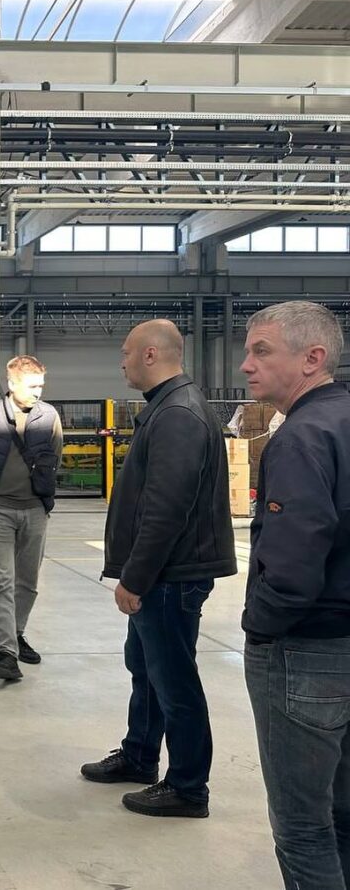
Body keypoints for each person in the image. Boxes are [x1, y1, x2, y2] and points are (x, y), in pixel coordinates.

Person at [81, 319, 235, 818]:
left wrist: (135, 577)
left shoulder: (178, 415)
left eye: (126, 353)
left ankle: (188, 788)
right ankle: (140, 755)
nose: (122, 363)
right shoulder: (168, 407)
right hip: (164, 574)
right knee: (146, 669)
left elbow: (167, 509)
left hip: (170, 576)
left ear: (150, 354)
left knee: (174, 681)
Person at [239, 302, 350, 889]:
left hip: (306, 650)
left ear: (313, 358)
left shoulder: (301, 437)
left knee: (304, 829)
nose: (246, 365)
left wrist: (261, 627)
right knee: (344, 814)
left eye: (262, 351)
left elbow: (292, 565)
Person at [0, 355, 62, 682]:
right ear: (11, 384)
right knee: (2, 581)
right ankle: (6, 652)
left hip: (35, 509)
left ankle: (17, 633)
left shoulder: (49, 416)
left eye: (41, 386)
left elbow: (55, 456)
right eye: (32, 386)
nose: (38, 392)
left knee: (28, 581)